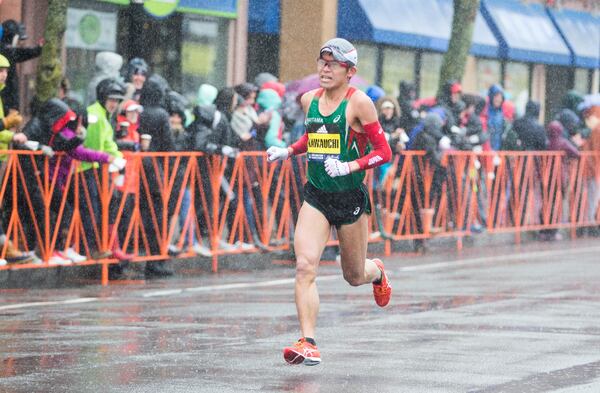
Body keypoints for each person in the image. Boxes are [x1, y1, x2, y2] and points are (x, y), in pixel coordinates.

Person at [266, 38, 392, 366]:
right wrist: (289, 151)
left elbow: (384, 152)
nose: (325, 68)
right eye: (322, 62)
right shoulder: (310, 99)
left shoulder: (360, 103)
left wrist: (350, 165)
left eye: (333, 64)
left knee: (353, 275)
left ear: (349, 71)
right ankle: (308, 341)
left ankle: (376, 272)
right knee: (305, 265)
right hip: (317, 195)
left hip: (349, 197)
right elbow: (315, 136)